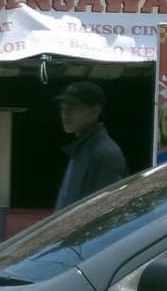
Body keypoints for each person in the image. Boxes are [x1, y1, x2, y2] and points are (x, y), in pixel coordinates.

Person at [53, 81, 128, 210]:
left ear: (95, 111)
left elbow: (104, 209)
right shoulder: (83, 148)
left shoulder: (105, 153)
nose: (65, 113)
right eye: (62, 108)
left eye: (73, 108)